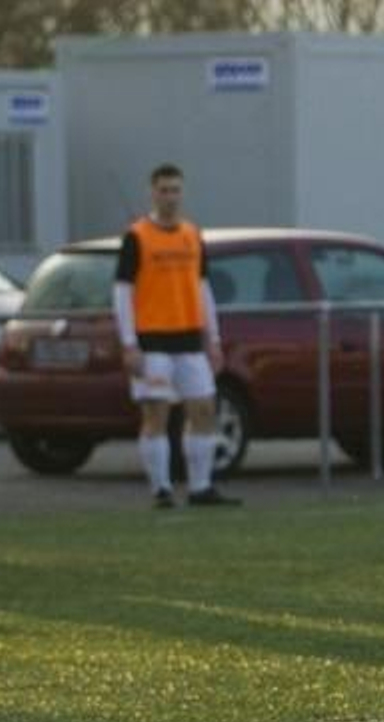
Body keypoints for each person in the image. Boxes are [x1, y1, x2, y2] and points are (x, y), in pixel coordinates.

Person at [111, 163, 240, 509]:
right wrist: (129, 343)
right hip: (152, 341)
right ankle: (161, 489)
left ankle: (200, 486)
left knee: (203, 409)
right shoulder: (137, 237)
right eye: (164, 190)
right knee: (157, 415)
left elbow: (202, 288)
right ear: (152, 192)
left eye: (175, 190)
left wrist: (212, 338)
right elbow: (123, 293)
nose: (170, 197)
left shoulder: (191, 235)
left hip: (188, 339)